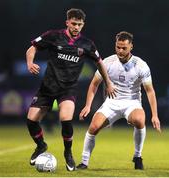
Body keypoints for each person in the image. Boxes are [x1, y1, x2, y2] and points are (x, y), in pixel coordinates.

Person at [26, 8, 116, 171]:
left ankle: (68, 153)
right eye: (73, 23)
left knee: (65, 118)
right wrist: (30, 63)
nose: (76, 27)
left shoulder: (87, 44)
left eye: (79, 24)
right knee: (31, 120)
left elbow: (99, 62)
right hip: (47, 87)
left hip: (68, 89)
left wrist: (108, 82)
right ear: (67, 22)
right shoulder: (53, 36)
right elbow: (32, 48)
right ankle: (40, 146)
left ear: (83, 25)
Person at [76, 31, 161, 170]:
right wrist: (87, 105)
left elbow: (150, 91)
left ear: (131, 47)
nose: (120, 51)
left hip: (132, 103)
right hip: (111, 103)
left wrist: (155, 115)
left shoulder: (141, 65)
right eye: (118, 47)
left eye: (124, 48)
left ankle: (137, 156)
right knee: (93, 127)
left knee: (140, 120)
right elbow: (94, 84)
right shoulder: (107, 62)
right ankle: (84, 162)